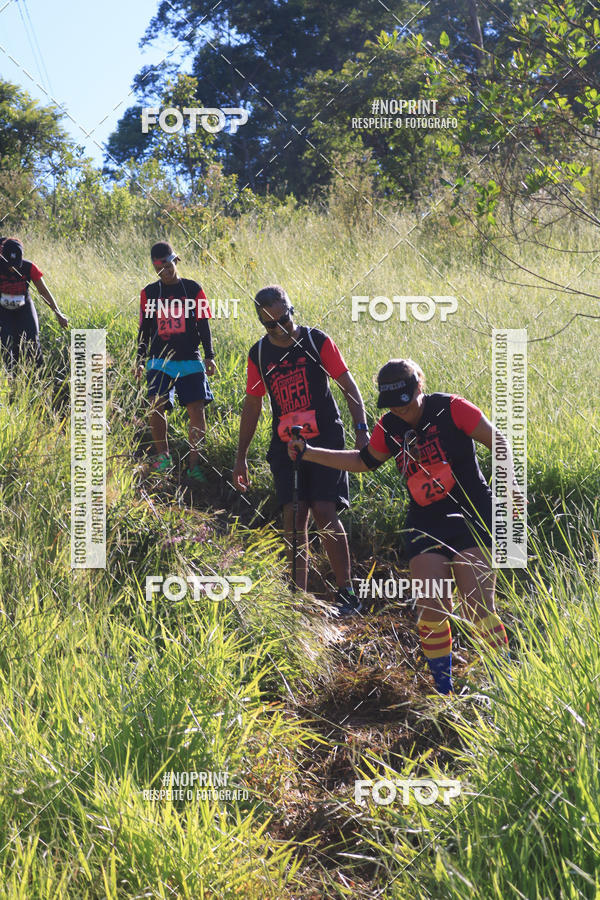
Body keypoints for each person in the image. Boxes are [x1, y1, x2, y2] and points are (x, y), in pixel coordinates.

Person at [288, 358, 512, 693]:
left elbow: (501, 444)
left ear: (419, 387)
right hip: (425, 521)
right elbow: (363, 462)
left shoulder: (452, 408)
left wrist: (509, 495)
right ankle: (444, 691)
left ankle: (502, 688)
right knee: (432, 607)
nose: (400, 411)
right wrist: (308, 452)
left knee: (478, 607)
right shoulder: (389, 427)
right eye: (392, 405)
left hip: (471, 516)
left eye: (404, 403)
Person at [233, 285, 369, 616]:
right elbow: (253, 404)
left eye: (285, 318)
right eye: (271, 324)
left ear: (293, 310)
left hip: (325, 439)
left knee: (324, 509)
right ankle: (298, 602)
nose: (281, 328)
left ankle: (348, 594)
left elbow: (348, 386)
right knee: (294, 517)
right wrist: (240, 457)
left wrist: (362, 431)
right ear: (262, 325)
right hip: (286, 445)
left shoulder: (315, 340)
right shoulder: (259, 354)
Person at [135, 241, 216, 479]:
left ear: (176, 261)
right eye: (158, 269)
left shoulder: (192, 289)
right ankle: (164, 459)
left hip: (189, 358)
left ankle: (194, 466)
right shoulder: (149, 293)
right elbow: (144, 330)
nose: (164, 272)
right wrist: (140, 359)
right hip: (159, 360)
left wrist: (210, 355)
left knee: (196, 410)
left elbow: (204, 324)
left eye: (168, 266)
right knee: (156, 406)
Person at [0, 237, 68, 370]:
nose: (13, 269)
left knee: (32, 339)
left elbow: (43, 291)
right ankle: (10, 376)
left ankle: (37, 375)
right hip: (2, 309)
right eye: (9, 265)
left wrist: (58, 313)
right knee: (6, 341)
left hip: (24, 306)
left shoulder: (29, 267)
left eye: (16, 264)